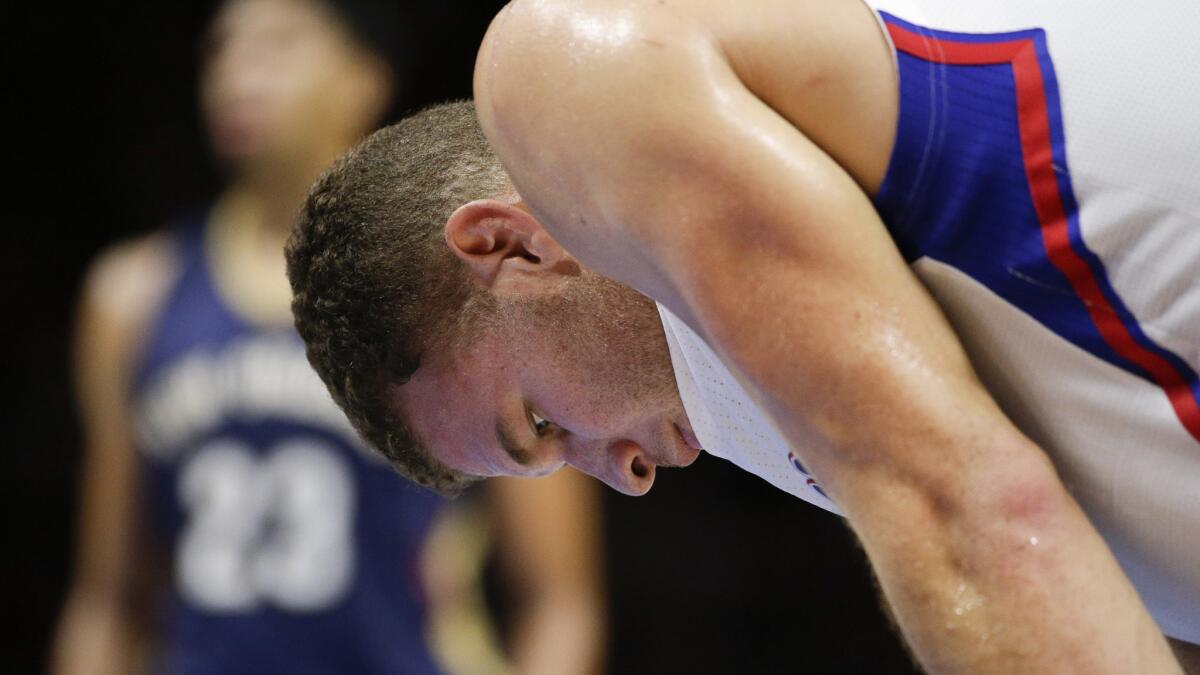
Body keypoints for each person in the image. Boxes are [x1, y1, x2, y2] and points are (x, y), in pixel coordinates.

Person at [285, 0, 1200, 672]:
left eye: (540, 422)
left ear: (510, 242)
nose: (625, 475)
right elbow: (1115, 613)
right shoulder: (745, 389)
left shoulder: (561, 71)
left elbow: (978, 514)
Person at [52, 0, 606, 673]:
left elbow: (558, 599)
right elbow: (107, 599)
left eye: (276, 46)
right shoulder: (133, 296)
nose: (237, 75)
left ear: (362, 79)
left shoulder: (462, 285)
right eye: (222, 50)